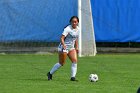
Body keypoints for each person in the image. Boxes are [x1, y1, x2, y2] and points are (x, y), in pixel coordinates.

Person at [47, 16, 79, 81]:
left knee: (75, 61)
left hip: (71, 48)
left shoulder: (78, 29)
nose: (74, 23)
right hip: (63, 47)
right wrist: (64, 45)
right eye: (73, 22)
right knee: (61, 63)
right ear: (70, 22)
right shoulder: (67, 29)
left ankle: (73, 77)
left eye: (75, 22)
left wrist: (77, 47)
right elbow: (61, 38)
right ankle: (50, 73)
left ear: (78, 22)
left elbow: (75, 38)